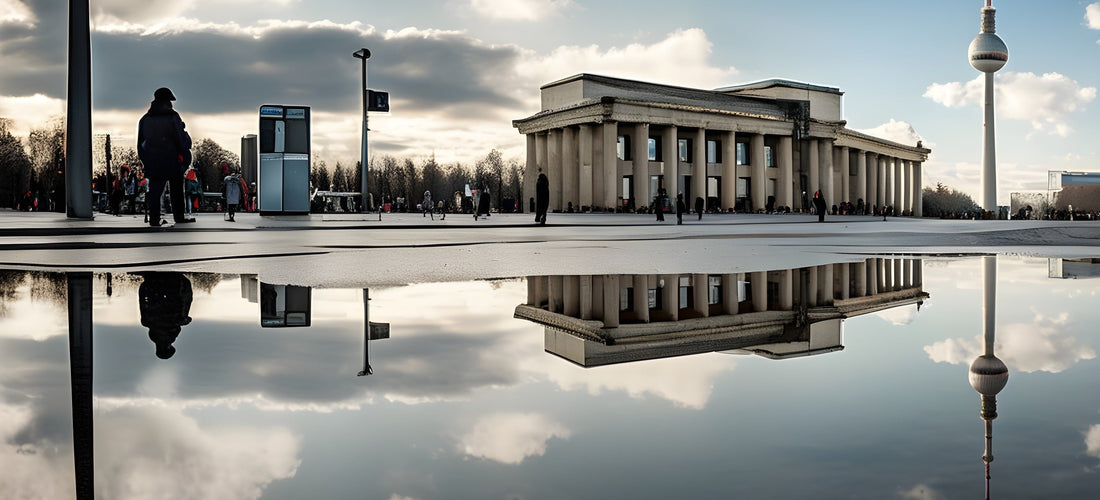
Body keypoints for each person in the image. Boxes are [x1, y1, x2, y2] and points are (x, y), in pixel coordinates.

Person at [137, 87, 193, 227]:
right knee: (176, 190)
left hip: (154, 162)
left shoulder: (145, 119)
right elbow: (182, 142)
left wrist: (147, 161)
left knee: (155, 191)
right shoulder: (173, 117)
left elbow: (140, 144)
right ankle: (179, 216)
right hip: (172, 160)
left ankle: (154, 218)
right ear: (168, 101)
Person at [137, 272, 193, 360]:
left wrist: (185, 320)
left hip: (169, 297)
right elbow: (143, 304)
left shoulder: (170, 334)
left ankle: (179, 283)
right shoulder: (150, 326)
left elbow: (178, 319)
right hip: (155, 293)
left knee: (180, 312)